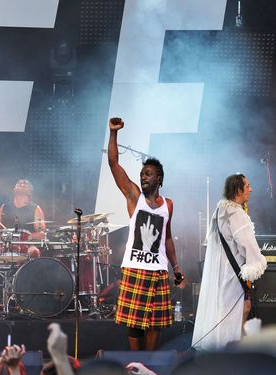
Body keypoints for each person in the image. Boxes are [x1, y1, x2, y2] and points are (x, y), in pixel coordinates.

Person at [107, 117, 184, 351]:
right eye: (142, 174)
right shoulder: (134, 197)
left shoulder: (167, 205)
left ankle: (151, 364)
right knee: (134, 323)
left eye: (148, 174)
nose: (143, 177)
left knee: (155, 323)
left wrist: (177, 267)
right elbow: (113, 164)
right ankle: (136, 364)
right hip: (135, 268)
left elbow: (167, 238)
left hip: (158, 270)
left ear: (159, 178)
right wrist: (113, 134)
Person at [192, 173, 267, 351]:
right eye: (247, 186)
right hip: (233, 275)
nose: (251, 189)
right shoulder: (237, 213)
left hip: (220, 273)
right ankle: (230, 355)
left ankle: (218, 354)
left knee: (221, 313)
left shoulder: (220, 210)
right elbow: (247, 245)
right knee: (237, 312)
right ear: (238, 190)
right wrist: (256, 261)